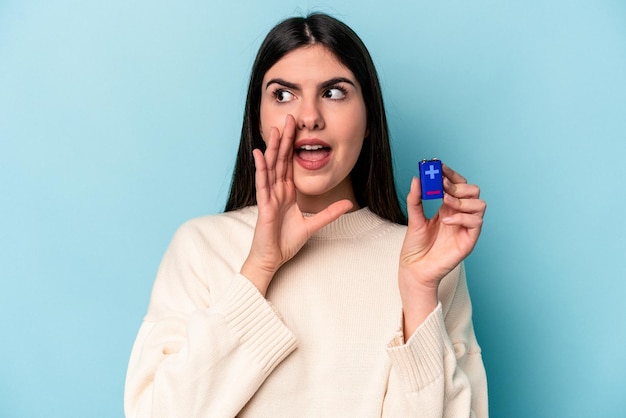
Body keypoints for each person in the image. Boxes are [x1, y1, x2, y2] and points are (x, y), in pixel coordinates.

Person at [124, 12, 488, 418]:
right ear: (258, 120)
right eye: (283, 95)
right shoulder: (201, 248)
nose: (310, 116)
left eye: (334, 92)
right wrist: (259, 267)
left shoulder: (428, 262)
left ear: (369, 120)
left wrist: (419, 292)